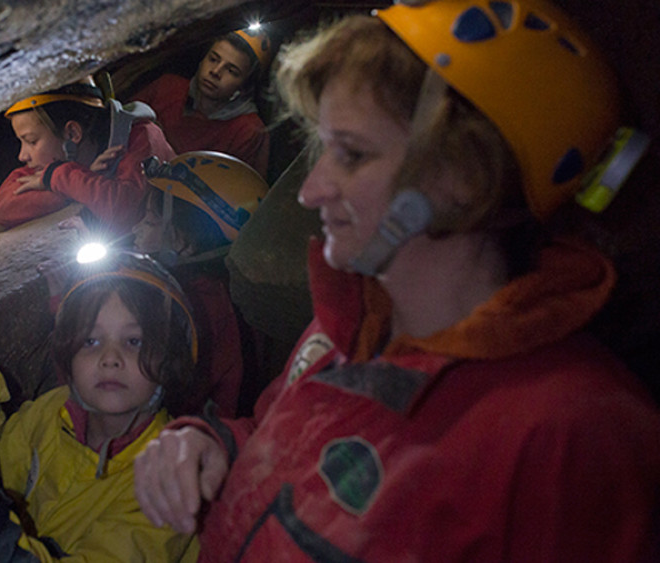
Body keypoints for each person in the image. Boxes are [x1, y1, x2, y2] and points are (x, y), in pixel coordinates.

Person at [133, 2, 660, 561]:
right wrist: (216, 448)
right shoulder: (347, 326)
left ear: (464, 174)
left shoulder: (573, 434)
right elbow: (292, 449)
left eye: (352, 154)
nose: (310, 192)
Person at [0, 251, 200, 562]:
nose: (110, 358)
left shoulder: (170, 481)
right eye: (90, 341)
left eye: (134, 341)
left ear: (169, 360)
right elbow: (2, 464)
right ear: (67, 355)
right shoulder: (53, 412)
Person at [133, 150, 269, 416]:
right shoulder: (223, 290)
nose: (136, 229)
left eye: (149, 221)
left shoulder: (187, 307)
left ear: (186, 244)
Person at [0, 80, 175, 237]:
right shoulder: (51, 163)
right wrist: (74, 183)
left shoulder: (140, 137)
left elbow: (124, 211)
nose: (22, 155)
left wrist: (60, 177)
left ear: (72, 134)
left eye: (31, 141)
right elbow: (4, 207)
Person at [131, 27, 272, 177]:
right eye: (213, 59)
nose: (216, 72)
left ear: (245, 87)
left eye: (231, 71)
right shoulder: (167, 87)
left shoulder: (249, 131)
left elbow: (238, 193)